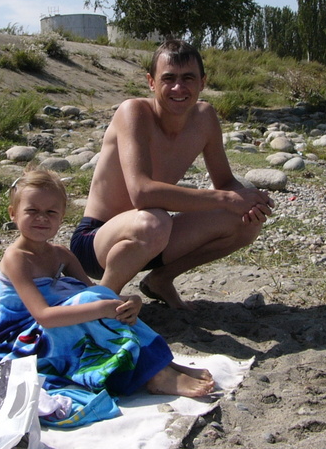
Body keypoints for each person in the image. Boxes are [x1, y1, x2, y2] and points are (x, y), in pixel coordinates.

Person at [70, 39, 274, 310]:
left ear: (202, 82)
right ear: (152, 82)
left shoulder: (205, 118)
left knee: (246, 219)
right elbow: (142, 193)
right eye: (169, 79)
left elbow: (225, 183)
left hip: (154, 239)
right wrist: (225, 199)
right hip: (96, 242)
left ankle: (161, 280)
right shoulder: (134, 112)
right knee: (155, 221)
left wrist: (249, 200)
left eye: (188, 78)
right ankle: (102, 301)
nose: (179, 88)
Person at [0, 168, 215, 400]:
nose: (42, 218)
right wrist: (104, 306)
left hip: (54, 328)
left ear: (62, 216)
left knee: (102, 298)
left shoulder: (61, 255)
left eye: (50, 212)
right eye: (32, 210)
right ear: (13, 214)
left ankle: (162, 363)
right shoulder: (17, 258)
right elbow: (44, 315)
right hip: (24, 342)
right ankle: (156, 374)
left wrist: (128, 302)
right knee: (95, 302)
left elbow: (97, 293)